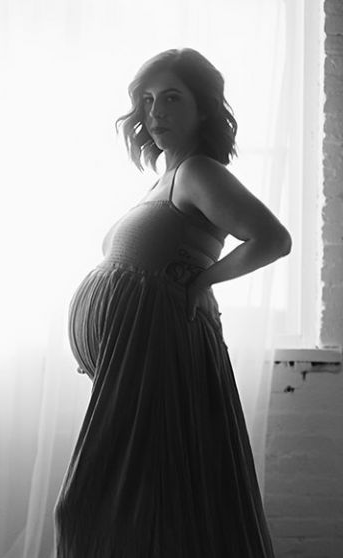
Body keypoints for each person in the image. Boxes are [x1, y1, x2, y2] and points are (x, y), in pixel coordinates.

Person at [55, 48, 291, 558]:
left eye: (171, 98)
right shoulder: (164, 178)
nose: (155, 111)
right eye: (147, 99)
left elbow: (271, 238)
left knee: (96, 506)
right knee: (147, 508)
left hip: (161, 357)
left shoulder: (198, 172)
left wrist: (202, 281)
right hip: (134, 363)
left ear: (202, 109)